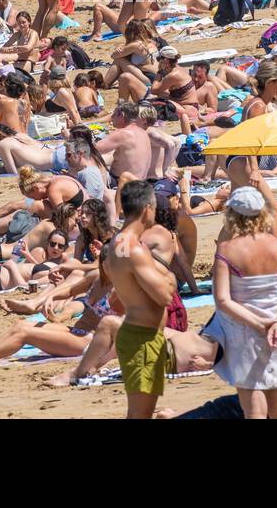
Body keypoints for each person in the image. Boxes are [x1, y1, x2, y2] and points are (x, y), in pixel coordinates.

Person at [205, 187, 277, 419]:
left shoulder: (227, 250)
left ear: (231, 214)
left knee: (253, 408)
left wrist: (259, 325)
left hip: (243, 331)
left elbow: (223, 299)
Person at [102, 180, 177, 419]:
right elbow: (165, 295)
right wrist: (169, 277)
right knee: (139, 414)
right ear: (147, 208)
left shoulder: (119, 243)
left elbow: (116, 298)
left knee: (140, 412)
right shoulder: (133, 248)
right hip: (142, 338)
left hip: (137, 331)